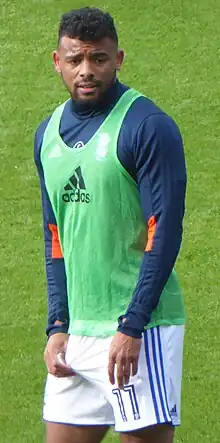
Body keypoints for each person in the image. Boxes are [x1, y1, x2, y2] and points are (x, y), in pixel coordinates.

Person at [34, 7, 187, 443]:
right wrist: (59, 325)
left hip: (139, 331)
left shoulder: (147, 126)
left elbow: (164, 231)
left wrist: (132, 325)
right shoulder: (47, 134)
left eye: (98, 59)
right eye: (75, 59)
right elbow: (55, 237)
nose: (86, 71)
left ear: (118, 59)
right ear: (56, 61)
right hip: (78, 335)